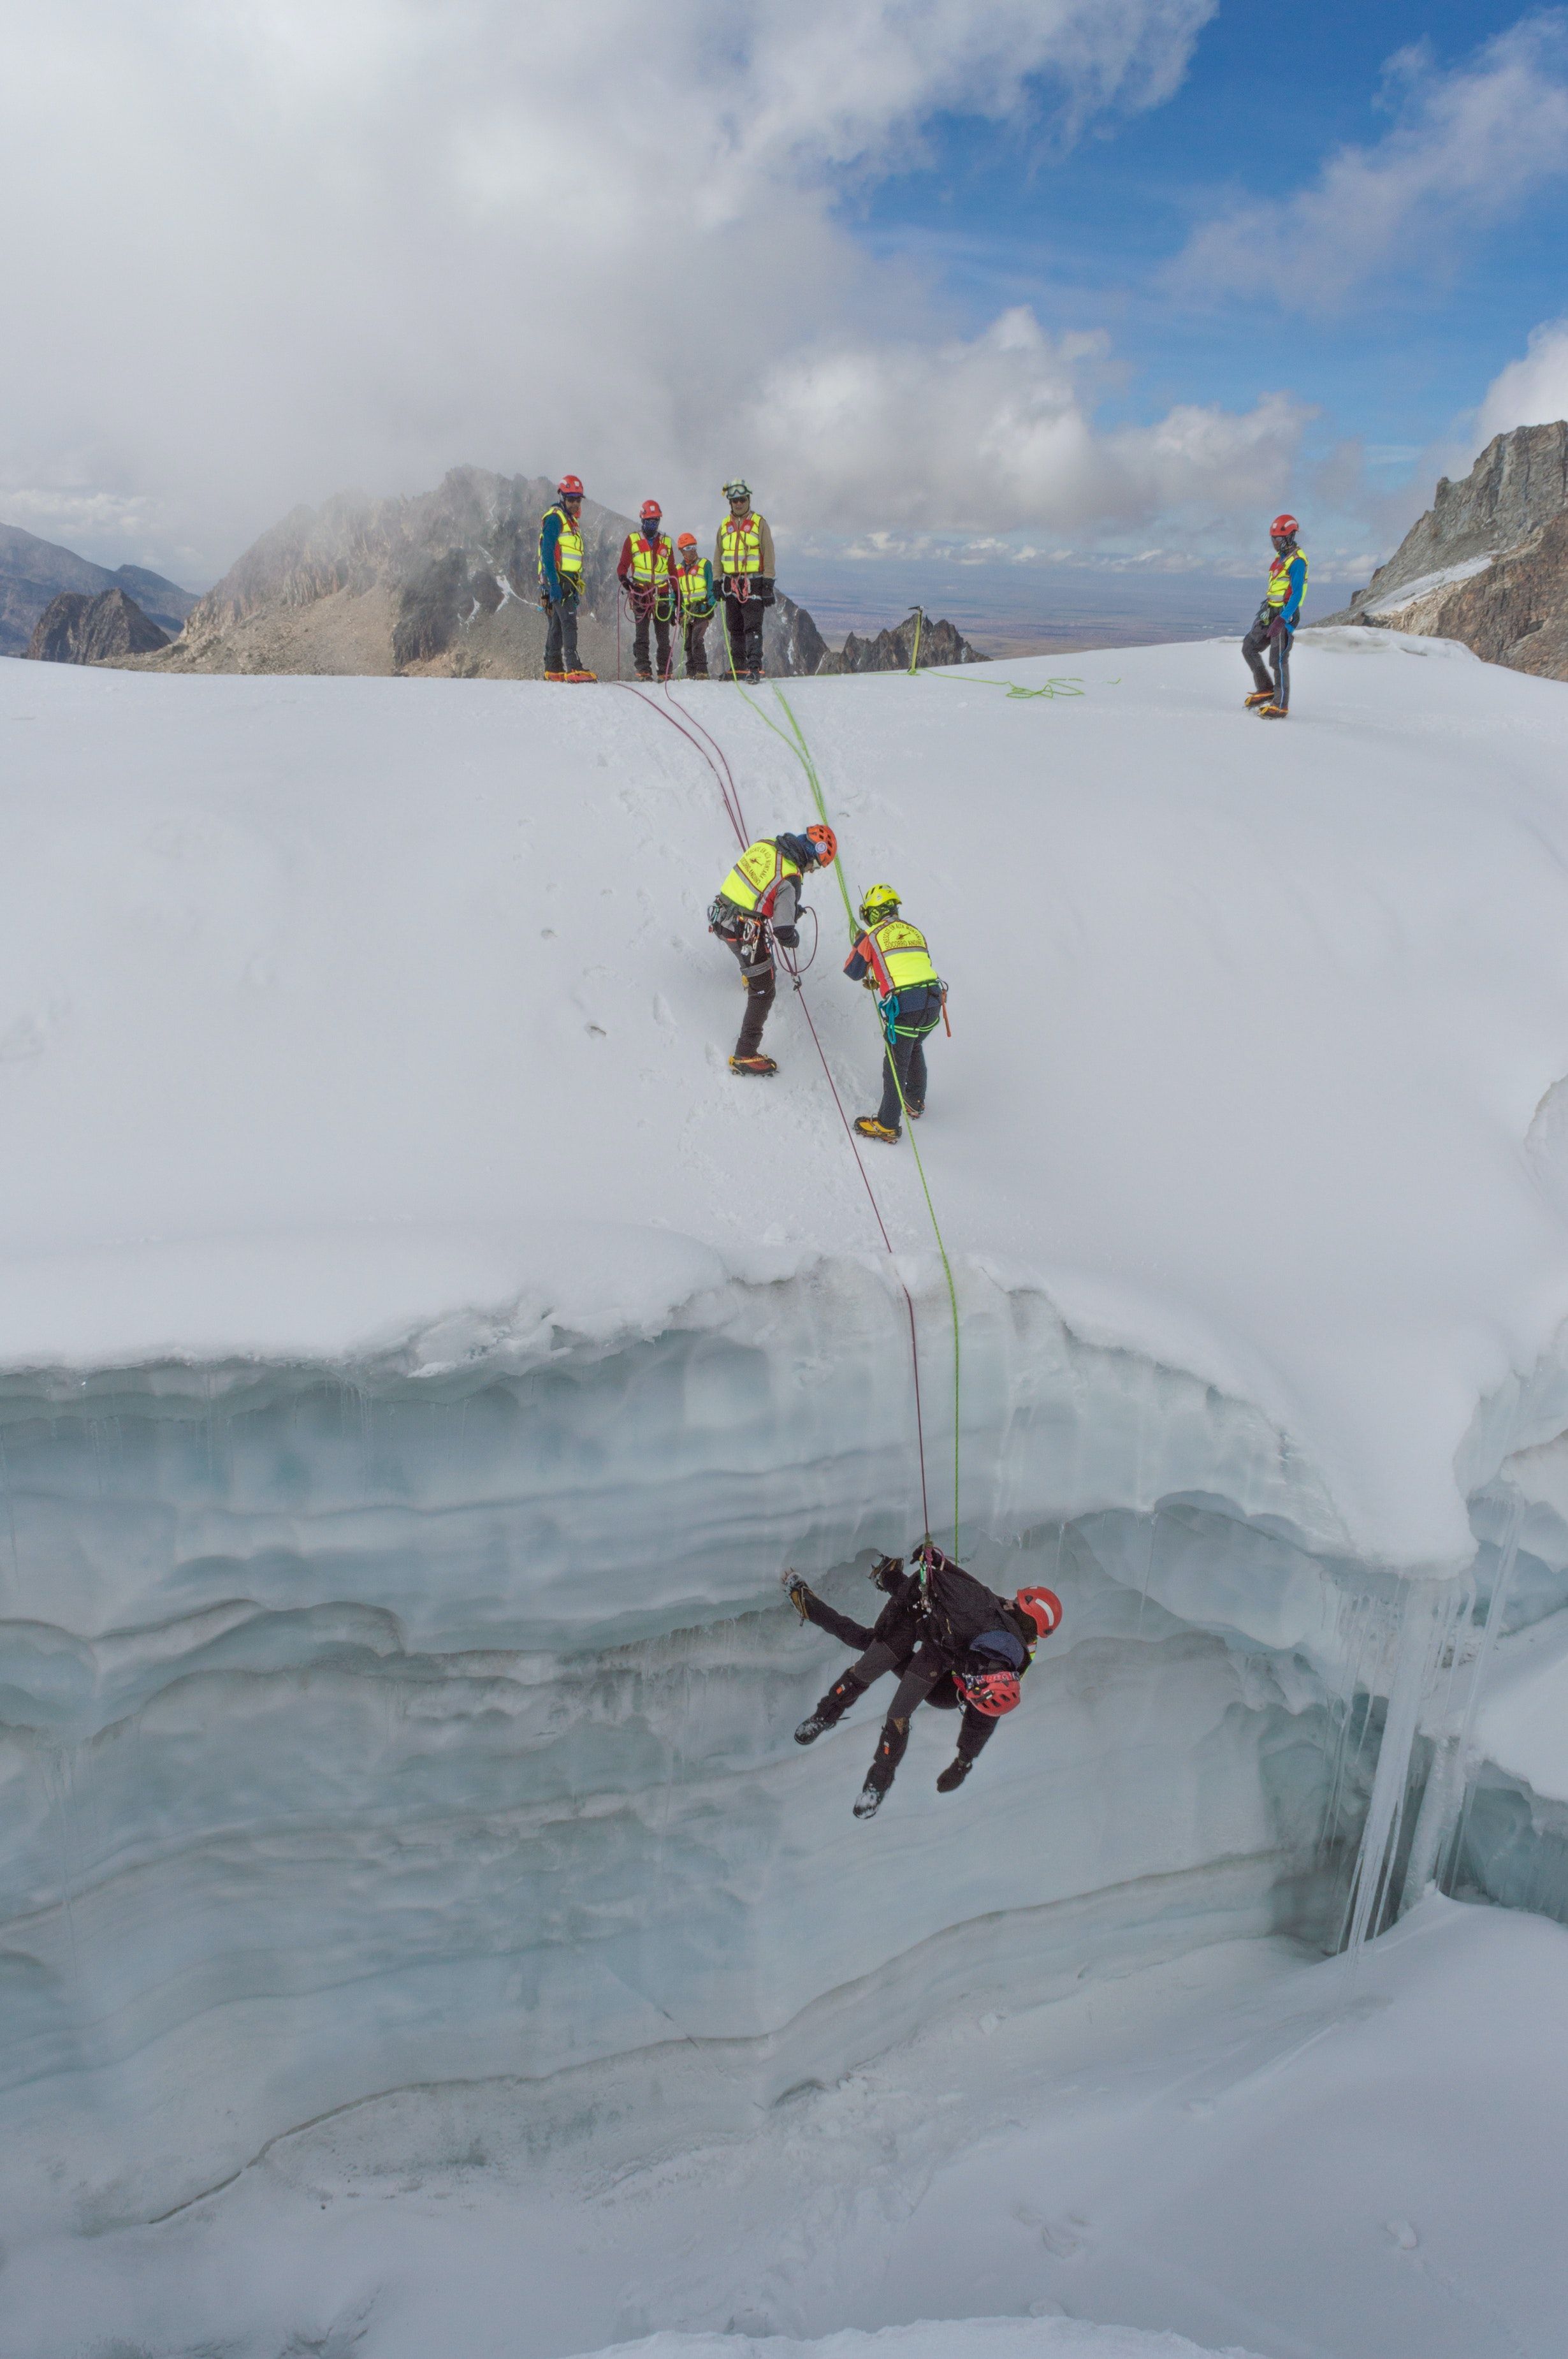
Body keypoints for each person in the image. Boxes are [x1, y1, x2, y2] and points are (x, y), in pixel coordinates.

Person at [789, 1544, 1062, 1818]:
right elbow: (957, 1588)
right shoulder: (990, 1619)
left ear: (1027, 1621)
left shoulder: (999, 1662)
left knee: (893, 1700)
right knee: (872, 1655)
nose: (1008, 1601)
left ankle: (877, 1783)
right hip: (934, 1637)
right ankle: (825, 1713)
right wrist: (936, 1567)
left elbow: (983, 1716)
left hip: (942, 1670)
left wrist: (963, 1761)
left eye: (1016, 1604)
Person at [709, 824, 837, 1076]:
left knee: (752, 962)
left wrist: (785, 907)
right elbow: (783, 932)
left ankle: (749, 973)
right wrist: (793, 935)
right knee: (764, 988)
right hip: (743, 929)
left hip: (720, 916)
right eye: (817, 865)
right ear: (812, 855)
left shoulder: (765, 845)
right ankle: (745, 1053)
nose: (812, 871)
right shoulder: (791, 879)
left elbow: (760, 888)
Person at [842, 884, 945, 1145]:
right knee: (915, 1045)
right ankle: (915, 1099)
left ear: (873, 913)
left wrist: (859, 944)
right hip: (933, 1004)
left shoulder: (871, 935)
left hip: (905, 1006)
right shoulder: (914, 931)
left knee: (895, 1062)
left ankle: (887, 1124)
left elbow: (853, 971)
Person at [1242, 515, 1307, 720]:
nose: (1274, 543)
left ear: (1290, 536)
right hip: (1270, 612)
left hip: (1284, 615)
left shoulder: (1297, 561)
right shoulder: (1280, 559)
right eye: (1273, 539)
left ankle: (1280, 706)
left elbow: (1296, 593)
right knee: (1249, 647)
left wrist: (1283, 619)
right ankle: (1266, 689)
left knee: (1278, 661)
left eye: (1278, 539)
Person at [714, 480, 776, 684]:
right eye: (735, 500)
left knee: (753, 626)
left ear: (748, 500)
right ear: (730, 503)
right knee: (735, 627)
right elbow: (718, 555)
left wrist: (768, 584)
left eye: (742, 499)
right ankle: (738, 667)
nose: (739, 503)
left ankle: (754, 668)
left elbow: (768, 553)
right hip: (732, 584)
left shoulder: (760, 523)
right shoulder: (724, 526)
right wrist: (717, 581)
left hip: (754, 583)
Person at [537, 476, 595, 683]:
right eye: (571, 499)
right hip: (560, 581)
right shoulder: (556, 519)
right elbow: (547, 551)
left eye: (578, 499)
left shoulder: (569, 520)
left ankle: (553, 669)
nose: (575, 503)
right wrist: (553, 584)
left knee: (557, 625)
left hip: (566, 581)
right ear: (562, 496)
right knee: (569, 624)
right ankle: (574, 667)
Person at [617, 500, 679, 681]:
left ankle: (665, 671)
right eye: (649, 521)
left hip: (662, 595)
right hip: (640, 594)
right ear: (642, 520)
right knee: (642, 634)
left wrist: (677, 597)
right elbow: (623, 565)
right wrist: (625, 580)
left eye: (656, 521)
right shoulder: (633, 540)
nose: (652, 525)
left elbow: (672, 571)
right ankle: (644, 670)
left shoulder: (666, 543)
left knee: (663, 638)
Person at [676, 532, 717, 678]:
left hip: (702, 609)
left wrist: (710, 606)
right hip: (687, 611)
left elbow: (712, 586)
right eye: (688, 548)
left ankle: (702, 672)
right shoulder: (678, 570)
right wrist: (679, 611)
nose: (692, 550)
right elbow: (677, 594)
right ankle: (691, 672)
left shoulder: (705, 565)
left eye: (694, 546)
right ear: (682, 551)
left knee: (697, 640)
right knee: (688, 642)